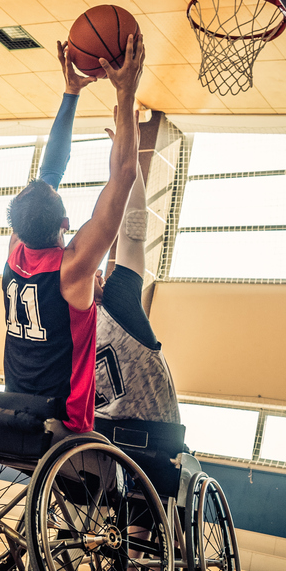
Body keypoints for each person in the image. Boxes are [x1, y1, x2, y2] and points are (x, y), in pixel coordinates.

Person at [3, 33, 145, 435]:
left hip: (13, 409)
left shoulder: (15, 252)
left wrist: (70, 94)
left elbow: (50, 172)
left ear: (18, 227)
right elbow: (124, 176)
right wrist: (126, 91)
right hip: (62, 423)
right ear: (65, 225)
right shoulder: (73, 268)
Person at [93, 155, 179, 425]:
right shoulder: (117, 305)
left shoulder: (58, 324)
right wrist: (130, 161)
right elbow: (134, 229)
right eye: (93, 272)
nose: (99, 272)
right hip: (151, 436)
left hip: (92, 439)